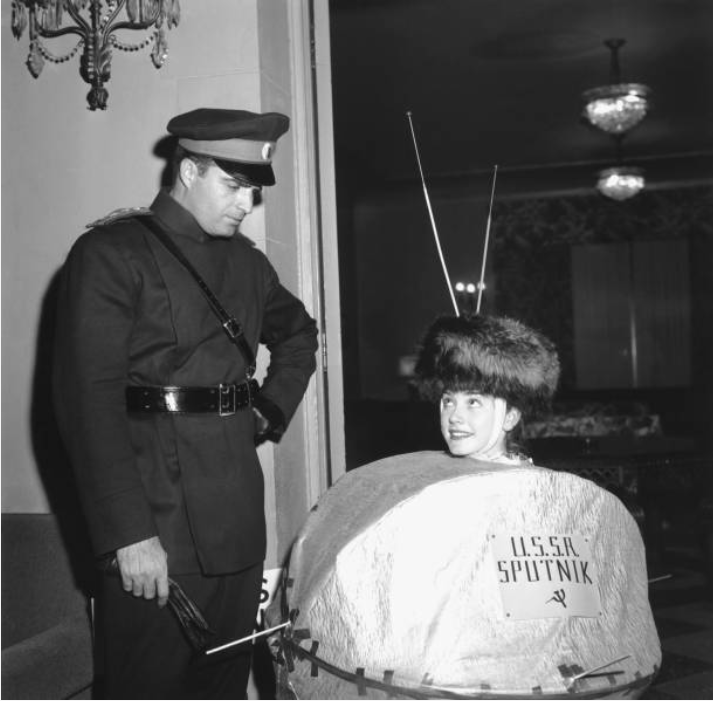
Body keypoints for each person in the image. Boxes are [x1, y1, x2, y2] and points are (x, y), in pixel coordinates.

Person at [52, 108, 319, 699]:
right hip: (156, 531)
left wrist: (269, 410)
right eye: (232, 185)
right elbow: (86, 405)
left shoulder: (248, 263)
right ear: (190, 170)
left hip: (238, 525)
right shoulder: (111, 253)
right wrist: (127, 535)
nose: (246, 204)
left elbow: (300, 335)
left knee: (222, 692)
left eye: (252, 189)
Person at [413, 312, 560, 465]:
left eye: (473, 402)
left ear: (510, 417)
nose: (454, 417)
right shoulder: (431, 474)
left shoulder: (527, 485)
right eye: (448, 401)